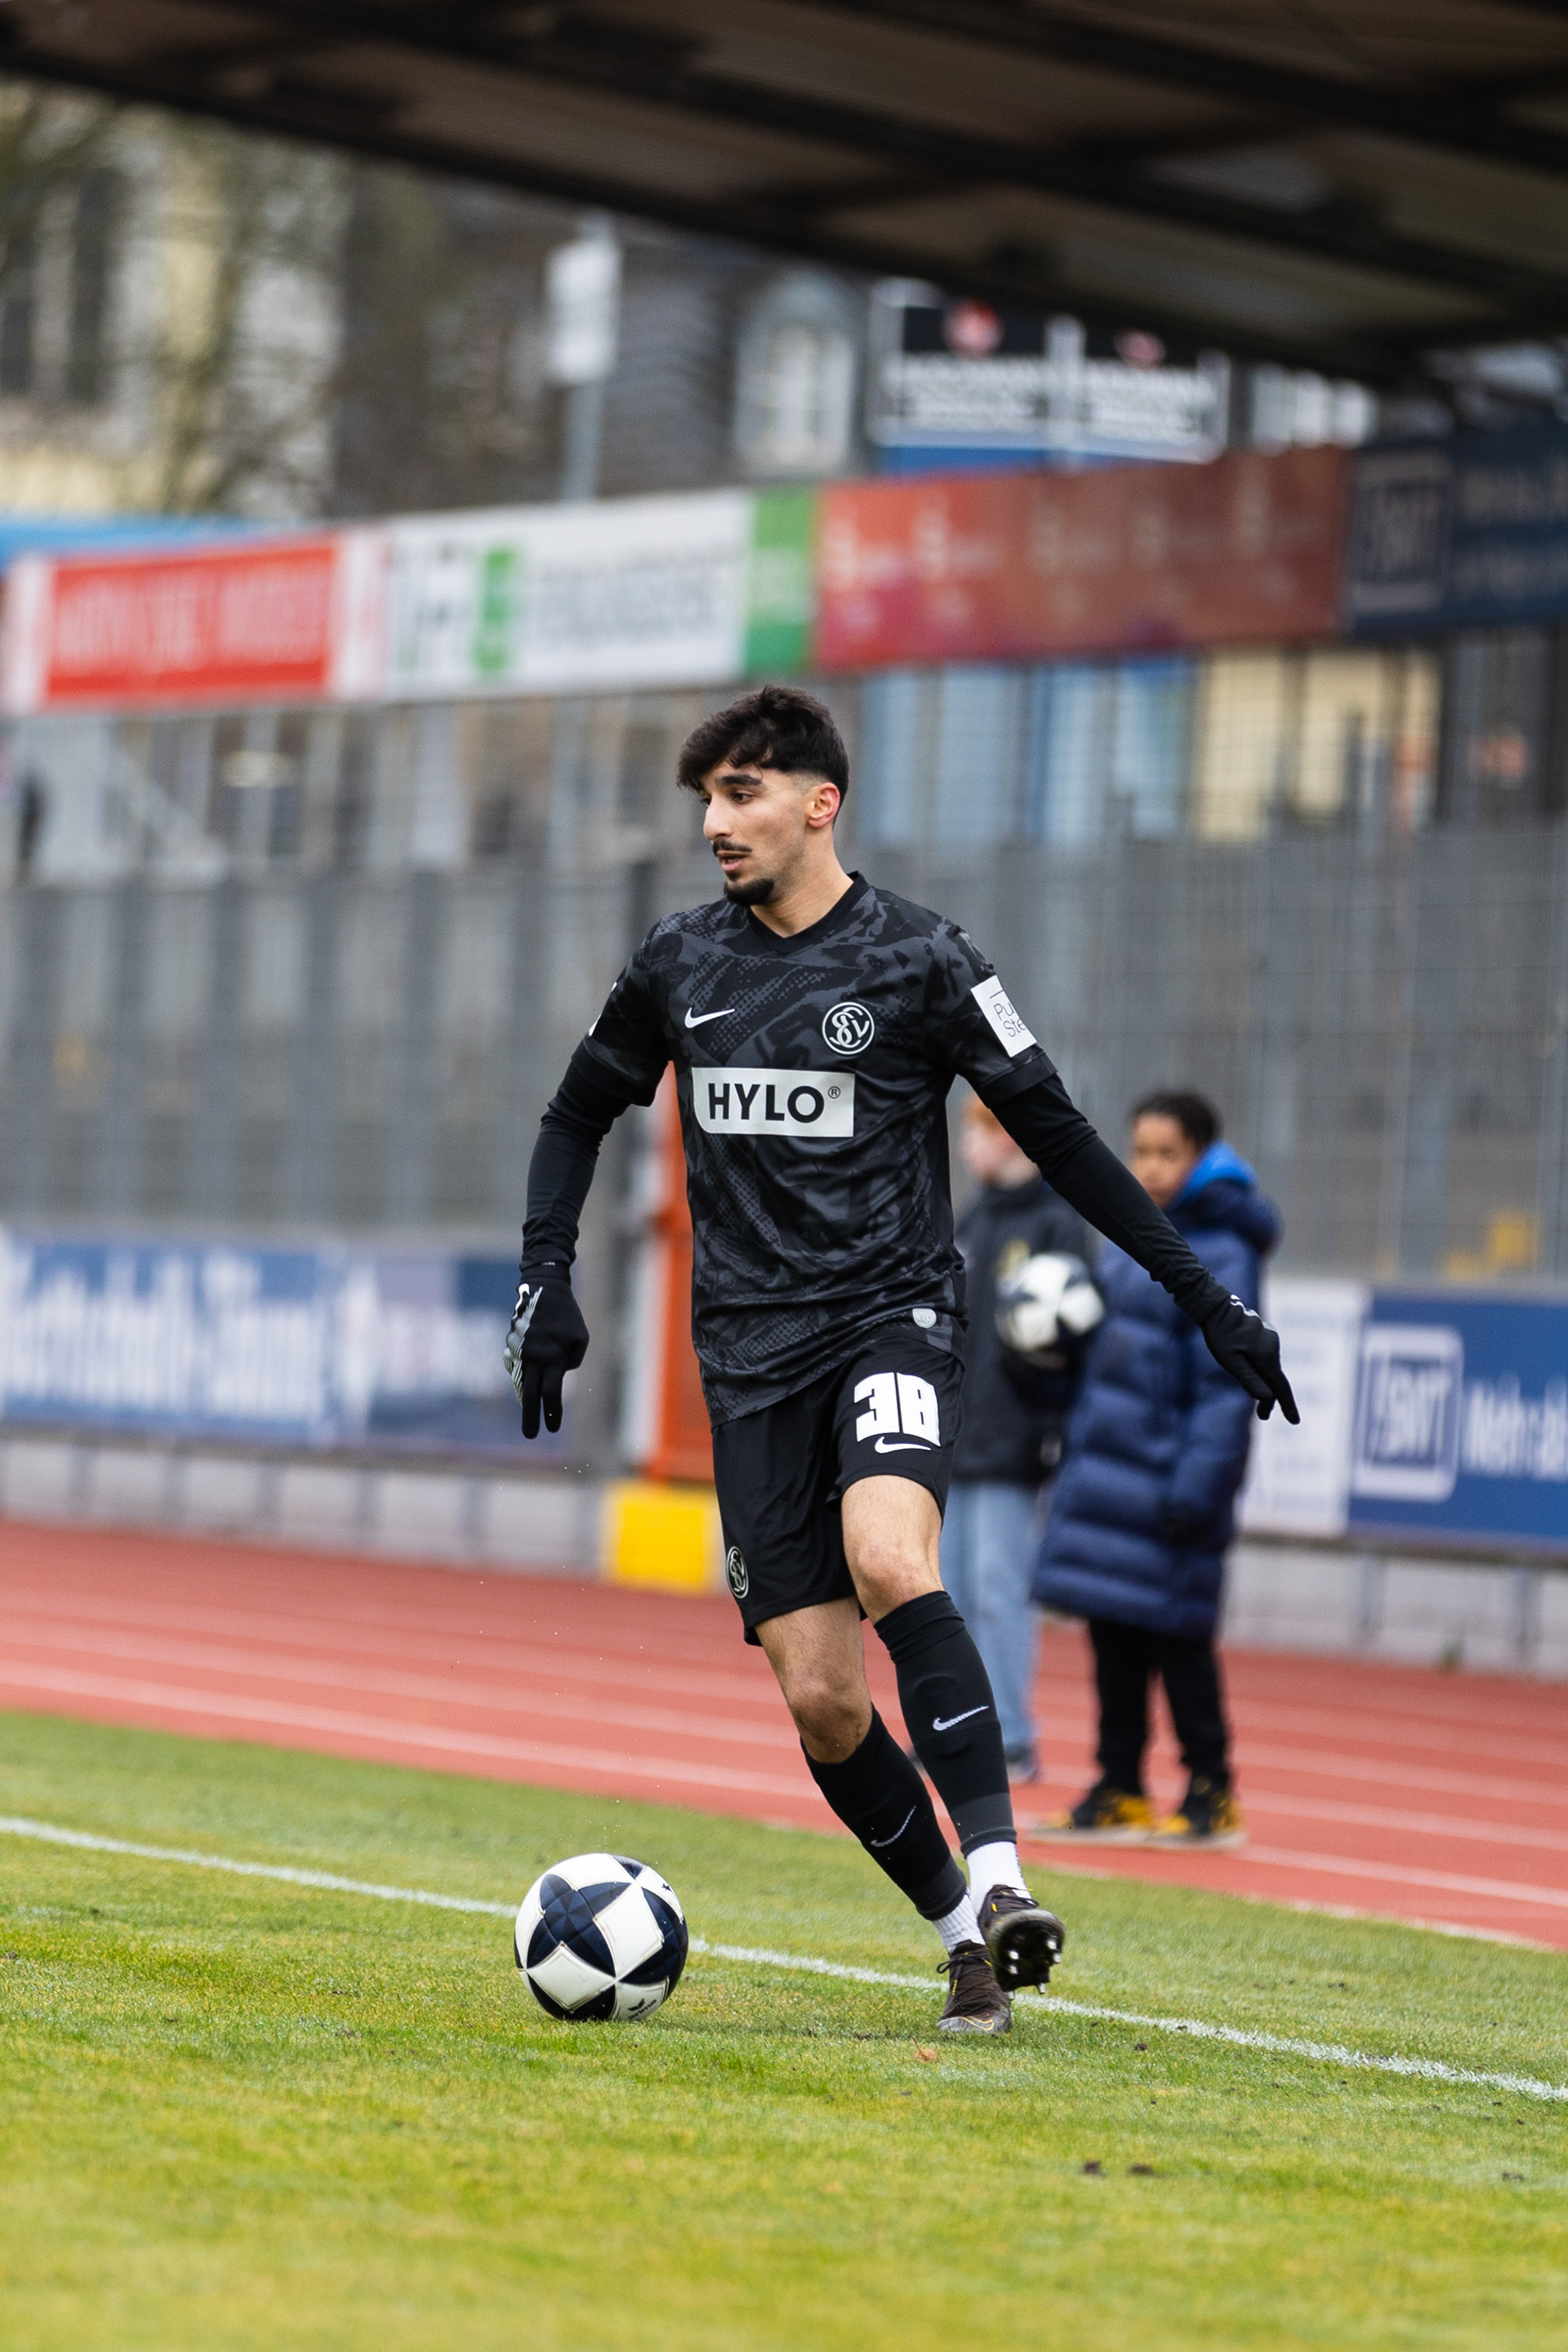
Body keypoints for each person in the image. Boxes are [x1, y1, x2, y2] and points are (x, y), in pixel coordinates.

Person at [505, 686, 1296, 2035]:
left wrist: (1203, 1292)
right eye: (705, 799)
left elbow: (1060, 1137)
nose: (715, 823)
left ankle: (1001, 1880)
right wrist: (547, 1273)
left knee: (891, 1555)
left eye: (741, 794)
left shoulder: (927, 961)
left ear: (821, 804)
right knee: (821, 1697)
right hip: (746, 1359)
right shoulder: (677, 963)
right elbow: (575, 1115)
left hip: (889, 1319)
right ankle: (961, 1944)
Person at [1034, 1090, 1282, 1849]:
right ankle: (1120, 1786)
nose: (1148, 1166)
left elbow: (1221, 1389)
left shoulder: (1226, 1253)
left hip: (1172, 1486)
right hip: (1110, 1479)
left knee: (1179, 1644)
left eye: (1166, 1153)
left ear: (1203, 1156)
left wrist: (1197, 1486)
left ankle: (1213, 1790)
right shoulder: (1126, 1240)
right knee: (1112, 1638)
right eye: (1139, 1151)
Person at [940, 1096, 1095, 1783]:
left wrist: (1046, 1417)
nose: (977, 1143)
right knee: (947, 1592)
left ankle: (1012, 1734)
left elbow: (1072, 1337)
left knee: (1000, 1589)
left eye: (988, 1128)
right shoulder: (971, 1217)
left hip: (1012, 1440)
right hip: (951, 1435)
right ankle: (958, 1728)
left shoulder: (1058, 1223)